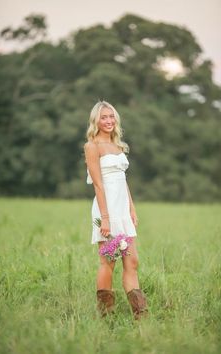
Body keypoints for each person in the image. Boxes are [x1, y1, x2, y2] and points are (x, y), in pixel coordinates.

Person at [84, 100, 148, 320]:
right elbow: (98, 184)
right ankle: (106, 316)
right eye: (104, 117)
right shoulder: (92, 146)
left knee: (132, 261)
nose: (109, 121)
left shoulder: (118, 145)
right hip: (106, 212)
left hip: (123, 211)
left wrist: (132, 209)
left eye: (111, 116)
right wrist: (105, 218)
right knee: (108, 262)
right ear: (96, 120)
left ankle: (141, 316)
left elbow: (123, 181)